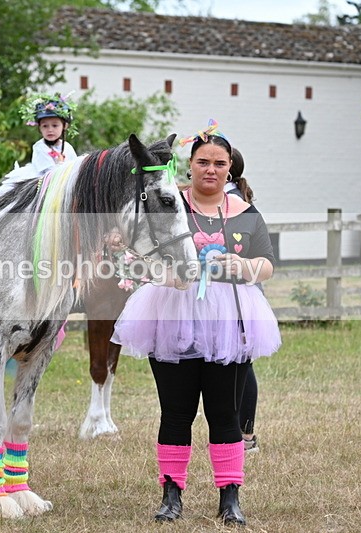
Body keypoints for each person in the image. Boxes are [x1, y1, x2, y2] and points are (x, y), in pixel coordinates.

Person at [112, 120, 281, 525]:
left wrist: (243, 265)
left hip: (229, 317)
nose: (210, 169)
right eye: (203, 162)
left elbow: (268, 265)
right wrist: (157, 270)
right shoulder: (169, 202)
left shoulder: (244, 212)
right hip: (173, 311)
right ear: (190, 166)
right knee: (175, 411)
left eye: (219, 163)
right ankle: (171, 493)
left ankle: (230, 496)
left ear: (230, 168)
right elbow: (139, 251)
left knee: (225, 412)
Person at [225, 148, 259, 453]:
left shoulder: (235, 203)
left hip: (237, 289)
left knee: (241, 362)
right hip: (214, 290)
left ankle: (246, 435)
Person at [0, 92, 78, 197]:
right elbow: (49, 172)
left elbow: (75, 169)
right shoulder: (39, 147)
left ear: (64, 126)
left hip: (64, 182)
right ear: (39, 128)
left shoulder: (68, 148)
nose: (50, 130)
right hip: (42, 182)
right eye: (45, 126)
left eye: (55, 125)